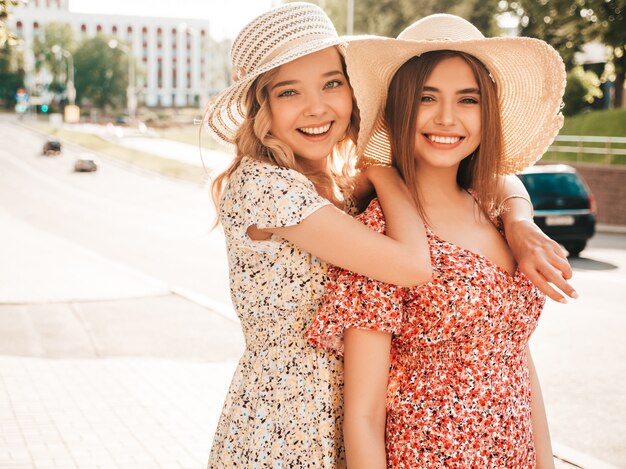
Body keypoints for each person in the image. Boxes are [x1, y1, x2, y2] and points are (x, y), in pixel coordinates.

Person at [205, 4, 573, 468]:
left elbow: (514, 355)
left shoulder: (341, 192)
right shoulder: (270, 188)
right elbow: (412, 265)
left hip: (486, 446)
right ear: (264, 107)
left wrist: (520, 221)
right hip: (287, 426)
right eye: (288, 91)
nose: (316, 106)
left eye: (332, 83)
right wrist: (385, 171)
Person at [306, 14, 567, 468]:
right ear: (396, 110)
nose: (447, 117)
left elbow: (516, 361)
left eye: (468, 100)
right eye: (427, 98)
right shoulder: (382, 234)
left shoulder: (494, 211)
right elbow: (363, 415)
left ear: (488, 114)